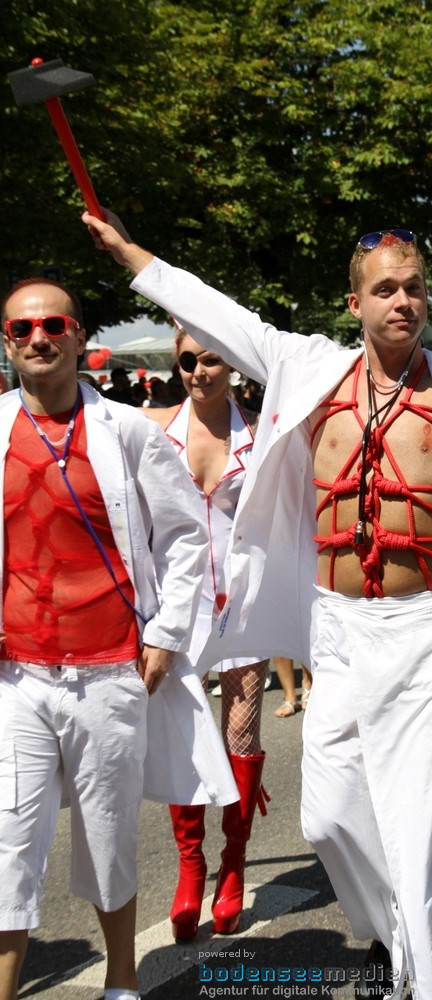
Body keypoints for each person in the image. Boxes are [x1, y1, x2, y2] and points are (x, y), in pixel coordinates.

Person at [83, 213, 432, 1000]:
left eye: (414, 288)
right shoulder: (308, 371)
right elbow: (218, 313)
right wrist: (132, 255)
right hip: (338, 628)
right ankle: (413, 936)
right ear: (354, 302)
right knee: (328, 819)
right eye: (385, 290)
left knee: (420, 838)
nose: (403, 302)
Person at [0, 278, 238, 1000]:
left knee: (107, 838)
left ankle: (123, 981)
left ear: (77, 337)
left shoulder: (128, 431)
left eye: (53, 324)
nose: (38, 337)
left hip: (110, 674)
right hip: (16, 679)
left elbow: (185, 536)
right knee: (9, 845)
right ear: (7, 342)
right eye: (21, 328)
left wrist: (165, 637)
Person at [144, 324, 269, 939]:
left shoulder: (263, 433)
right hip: (177, 613)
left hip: (243, 609)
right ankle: (190, 868)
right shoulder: (151, 432)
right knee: (184, 740)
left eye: (211, 358)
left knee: (241, 738)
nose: (198, 371)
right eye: (187, 360)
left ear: (234, 365)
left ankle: (234, 862)